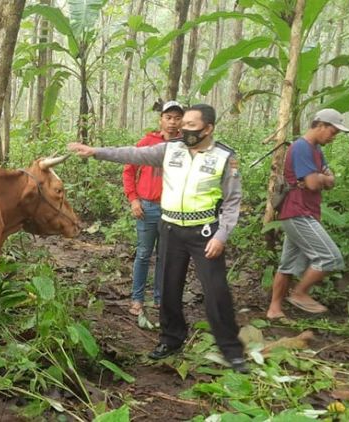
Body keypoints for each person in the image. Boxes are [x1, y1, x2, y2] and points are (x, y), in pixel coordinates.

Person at [69, 104, 248, 373]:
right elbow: (134, 154)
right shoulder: (170, 149)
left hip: (205, 233)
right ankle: (171, 339)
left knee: (216, 292)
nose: (183, 128)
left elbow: (233, 202)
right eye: (183, 123)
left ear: (208, 128)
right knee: (168, 288)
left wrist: (222, 236)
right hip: (171, 228)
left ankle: (232, 351)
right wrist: (96, 152)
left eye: (191, 125)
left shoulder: (224, 158)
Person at [265, 108, 349, 321]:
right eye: (332, 131)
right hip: (297, 212)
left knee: (288, 264)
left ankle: (274, 310)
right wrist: (321, 178)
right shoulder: (301, 147)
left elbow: (330, 181)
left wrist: (321, 178)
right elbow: (313, 183)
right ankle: (300, 293)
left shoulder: (317, 150)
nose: (333, 137)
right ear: (319, 125)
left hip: (306, 211)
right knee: (330, 258)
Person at [123, 100, 183, 316]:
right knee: (143, 254)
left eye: (177, 118)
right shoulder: (147, 142)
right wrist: (133, 199)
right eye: (169, 117)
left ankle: (160, 298)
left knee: (165, 256)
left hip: (173, 210)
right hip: (147, 207)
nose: (172, 122)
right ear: (161, 120)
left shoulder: (185, 145)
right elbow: (129, 170)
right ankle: (137, 299)